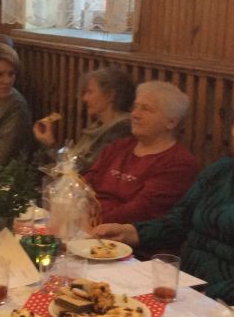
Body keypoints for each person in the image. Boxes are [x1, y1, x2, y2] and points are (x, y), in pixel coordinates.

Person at [93, 86, 234, 315]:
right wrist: (131, 232)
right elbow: (178, 222)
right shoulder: (221, 171)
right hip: (185, 289)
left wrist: (205, 296)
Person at [82, 81, 198, 224]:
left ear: (171, 123)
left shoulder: (179, 164)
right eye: (135, 107)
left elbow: (139, 212)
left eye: (146, 109)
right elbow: (85, 185)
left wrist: (88, 222)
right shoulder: (118, 147)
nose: (135, 114)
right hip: (84, 222)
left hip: (120, 232)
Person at [33, 66, 134, 172]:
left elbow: (82, 169)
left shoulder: (121, 130)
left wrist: (51, 145)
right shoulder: (98, 125)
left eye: (90, 92)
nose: (84, 98)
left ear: (110, 95)